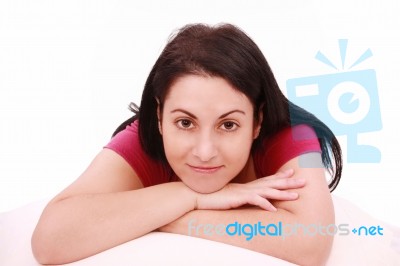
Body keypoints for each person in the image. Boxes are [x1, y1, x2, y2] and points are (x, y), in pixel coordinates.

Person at [32, 23, 342, 265]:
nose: (204, 152)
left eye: (229, 124)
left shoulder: (295, 134)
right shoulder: (143, 138)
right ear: (159, 116)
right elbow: (49, 239)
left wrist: (165, 216)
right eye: (185, 123)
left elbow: (312, 241)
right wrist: (186, 195)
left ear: (257, 121)